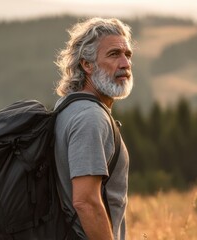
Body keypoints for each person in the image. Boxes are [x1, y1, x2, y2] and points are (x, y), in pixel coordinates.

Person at [53, 17, 133, 240]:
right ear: (86, 65)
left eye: (127, 55)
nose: (125, 64)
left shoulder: (67, 108)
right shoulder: (90, 117)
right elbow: (85, 201)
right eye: (114, 54)